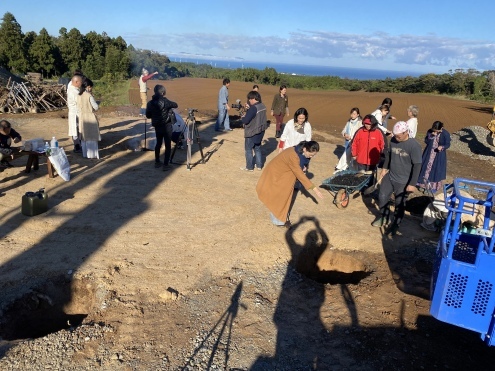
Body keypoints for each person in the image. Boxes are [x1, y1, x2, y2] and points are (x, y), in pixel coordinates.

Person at [256, 140, 324, 228]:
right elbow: (299, 173)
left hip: (285, 173)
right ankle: (278, 220)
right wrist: (314, 189)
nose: (311, 157)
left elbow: (302, 166)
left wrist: (304, 168)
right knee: (281, 196)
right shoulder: (293, 156)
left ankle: (281, 217)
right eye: (311, 155)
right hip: (277, 173)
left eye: (313, 155)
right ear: (304, 149)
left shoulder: (302, 152)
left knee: (284, 195)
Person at [372, 121, 422, 235]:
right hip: (391, 175)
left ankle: (396, 223)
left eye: (399, 136)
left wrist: (412, 183)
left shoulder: (414, 146)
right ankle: (383, 216)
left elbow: (417, 165)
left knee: (399, 203)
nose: (396, 138)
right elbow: (389, 155)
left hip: (404, 181)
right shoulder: (393, 140)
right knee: (382, 195)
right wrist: (384, 168)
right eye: (395, 135)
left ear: (405, 132)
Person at [146, 84, 178, 171]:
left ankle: (157, 162)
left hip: (157, 126)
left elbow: (148, 116)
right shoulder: (166, 101)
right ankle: (166, 165)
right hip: (167, 126)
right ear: (163, 92)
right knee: (168, 145)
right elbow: (175, 105)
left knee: (158, 143)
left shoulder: (150, 103)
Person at [417, 121, 451, 193]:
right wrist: (431, 136)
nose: (436, 132)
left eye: (437, 131)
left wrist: (442, 147)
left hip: (438, 155)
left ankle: (431, 187)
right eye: (434, 130)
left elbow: (448, 144)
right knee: (426, 168)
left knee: (435, 170)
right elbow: (426, 141)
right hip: (429, 153)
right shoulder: (430, 131)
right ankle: (423, 185)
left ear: (441, 128)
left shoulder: (445, 134)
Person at [240, 90, 267, 171]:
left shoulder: (253, 108)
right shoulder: (263, 106)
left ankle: (249, 167)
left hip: (252, 132)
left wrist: (242, 116)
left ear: (253, 98)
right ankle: (259, 165)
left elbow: (246, 120)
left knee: (248, 149)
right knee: (257, 148)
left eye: (249, 99)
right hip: (261, 131)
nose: (249, 101)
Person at [77, 78, 101, 159]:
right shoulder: (89, 96)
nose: (91, 88)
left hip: (82, 117)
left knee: (84, 137)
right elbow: (96, 107)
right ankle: (92, 155)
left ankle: (85, 154)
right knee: (92, 136)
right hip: (90, 117)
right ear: (87, 87)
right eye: (90, 87)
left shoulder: (79, 95)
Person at [335, 107, 362, 172]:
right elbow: (344, 130)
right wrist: (345, 134)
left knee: (349, 155)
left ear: (358, 115)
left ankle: (340, 167)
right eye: (352, 114)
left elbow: (360, 133)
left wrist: (351, 137)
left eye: (354, 114)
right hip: (348, 141)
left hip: (355, 142)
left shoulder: (360, 123)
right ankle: (341, 167)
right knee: (347, 154)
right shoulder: (349, 122)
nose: (352, 115)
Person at [67, 74, 83, 153]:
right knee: (76, 131)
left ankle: (78, 145)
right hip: (75, 113)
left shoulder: (72, 89)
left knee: (76, 130)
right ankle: (77, 146)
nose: (81, 83)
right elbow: (80, 102)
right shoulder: (74, 91)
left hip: (74, 112)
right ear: (76, 82)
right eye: (80, 82)